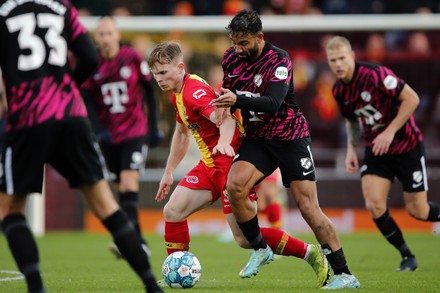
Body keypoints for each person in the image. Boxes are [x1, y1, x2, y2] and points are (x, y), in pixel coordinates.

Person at [0, 1, 162, 292]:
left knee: (10, 210)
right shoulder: (61, 8)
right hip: (71, 116)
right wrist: (65, 87)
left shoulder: (3, 11)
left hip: (28, 117)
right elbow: (88, 56)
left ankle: (36, 288)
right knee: (106, 204)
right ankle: (152, 285)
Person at [147, 40, 330, 288]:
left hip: (229, 165)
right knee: (173, 211)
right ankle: (174, 272)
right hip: (209, 165)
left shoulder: (194, 93)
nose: (158, 78)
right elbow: (181, 134)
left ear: (180, 68)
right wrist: (168, 172)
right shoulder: (178, 93)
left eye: (163, 72)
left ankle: (311, 252)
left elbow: (227, 119)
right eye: (155, 73)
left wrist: (224, 143)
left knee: (244, 239)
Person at [212, 10, 360, 289]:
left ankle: (344, 273)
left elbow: (274, 102)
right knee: (235, 185)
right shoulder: (230, 58)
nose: (237, 49)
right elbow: (229, 96)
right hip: (258, 139)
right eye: (234, 42)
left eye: (243, 43)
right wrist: (223, 108)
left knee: (308, 208)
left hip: (290, 137)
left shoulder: (279, 59)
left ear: (260, 37)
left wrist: (237, 99)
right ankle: (260, 248)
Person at [325, 35, 440, 272]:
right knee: (374, 204)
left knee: (419, 211)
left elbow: (412, 99)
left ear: (352, 57)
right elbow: (352, 121)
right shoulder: (338, 90)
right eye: (333, 60)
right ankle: (407, 256)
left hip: (407, 146)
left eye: (342, 58)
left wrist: (389, 131)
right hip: (377, 150)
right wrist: (350, 150)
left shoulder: (375, 75)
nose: (338, 64)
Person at [81, 16, 163, 258]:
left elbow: (149, 90)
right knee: (121, 190)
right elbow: (85, 98)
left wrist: (153, 127)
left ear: (117, 35)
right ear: (96, 38)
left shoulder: (132, 57)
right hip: (109, 137)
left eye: (109, 33)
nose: (105, 39)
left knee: (128, 183)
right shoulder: (91, 63)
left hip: (134, 131)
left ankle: (137, 243)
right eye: (101, 34)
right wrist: (98, 130)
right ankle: (130, 240)